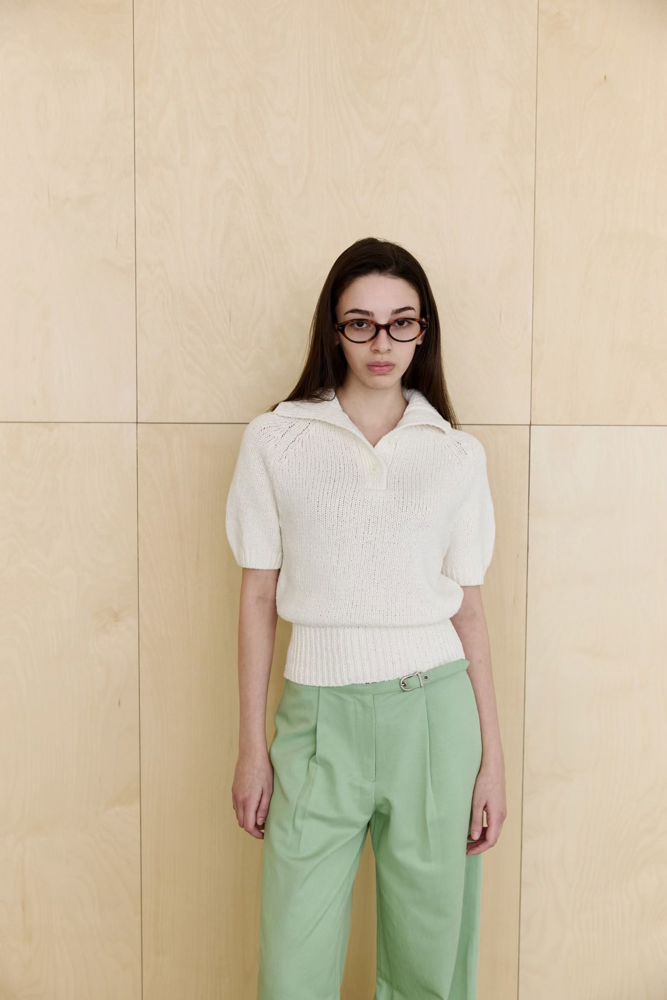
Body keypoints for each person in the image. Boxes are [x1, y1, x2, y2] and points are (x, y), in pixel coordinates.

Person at [226, 236, 507, 1000]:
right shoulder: (278, 439)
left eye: (400, 322)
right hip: (316, 723)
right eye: (361, 323)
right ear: (334, 329)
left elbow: (469, 608)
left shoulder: (455, 455)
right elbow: (257, 597)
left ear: (423, 331)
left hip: (435, 721)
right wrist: (252, 747)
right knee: (293, 968)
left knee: (427, 969)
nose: (381, 343)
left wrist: (491, 759)